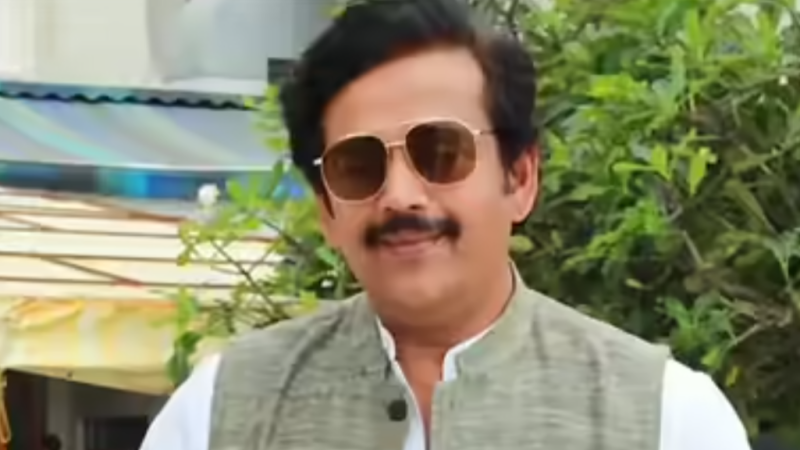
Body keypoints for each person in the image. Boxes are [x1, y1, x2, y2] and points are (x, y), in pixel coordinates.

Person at [140, 0, 752, 449]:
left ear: (519, 178)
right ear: (327, 209)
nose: (401, 197)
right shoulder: (219, 412)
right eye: (359, 166)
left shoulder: (669, 418)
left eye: (440, 151)